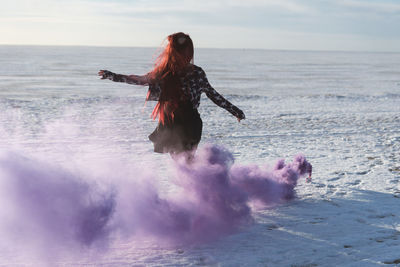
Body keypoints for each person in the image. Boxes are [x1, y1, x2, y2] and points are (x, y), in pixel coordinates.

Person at [98, 32, 245, 158]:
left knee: (186, 162)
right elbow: (139, 80)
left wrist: (235, 111)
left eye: (190, 52)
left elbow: (213, 94)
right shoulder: (164, 73)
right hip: (170, 123)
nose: (189, 56)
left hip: (190, 122)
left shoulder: (197, 72)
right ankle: (203, 186)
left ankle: (207, 184)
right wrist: (113, 76)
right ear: (176, 52)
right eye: (185, 52)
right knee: (183, 164)